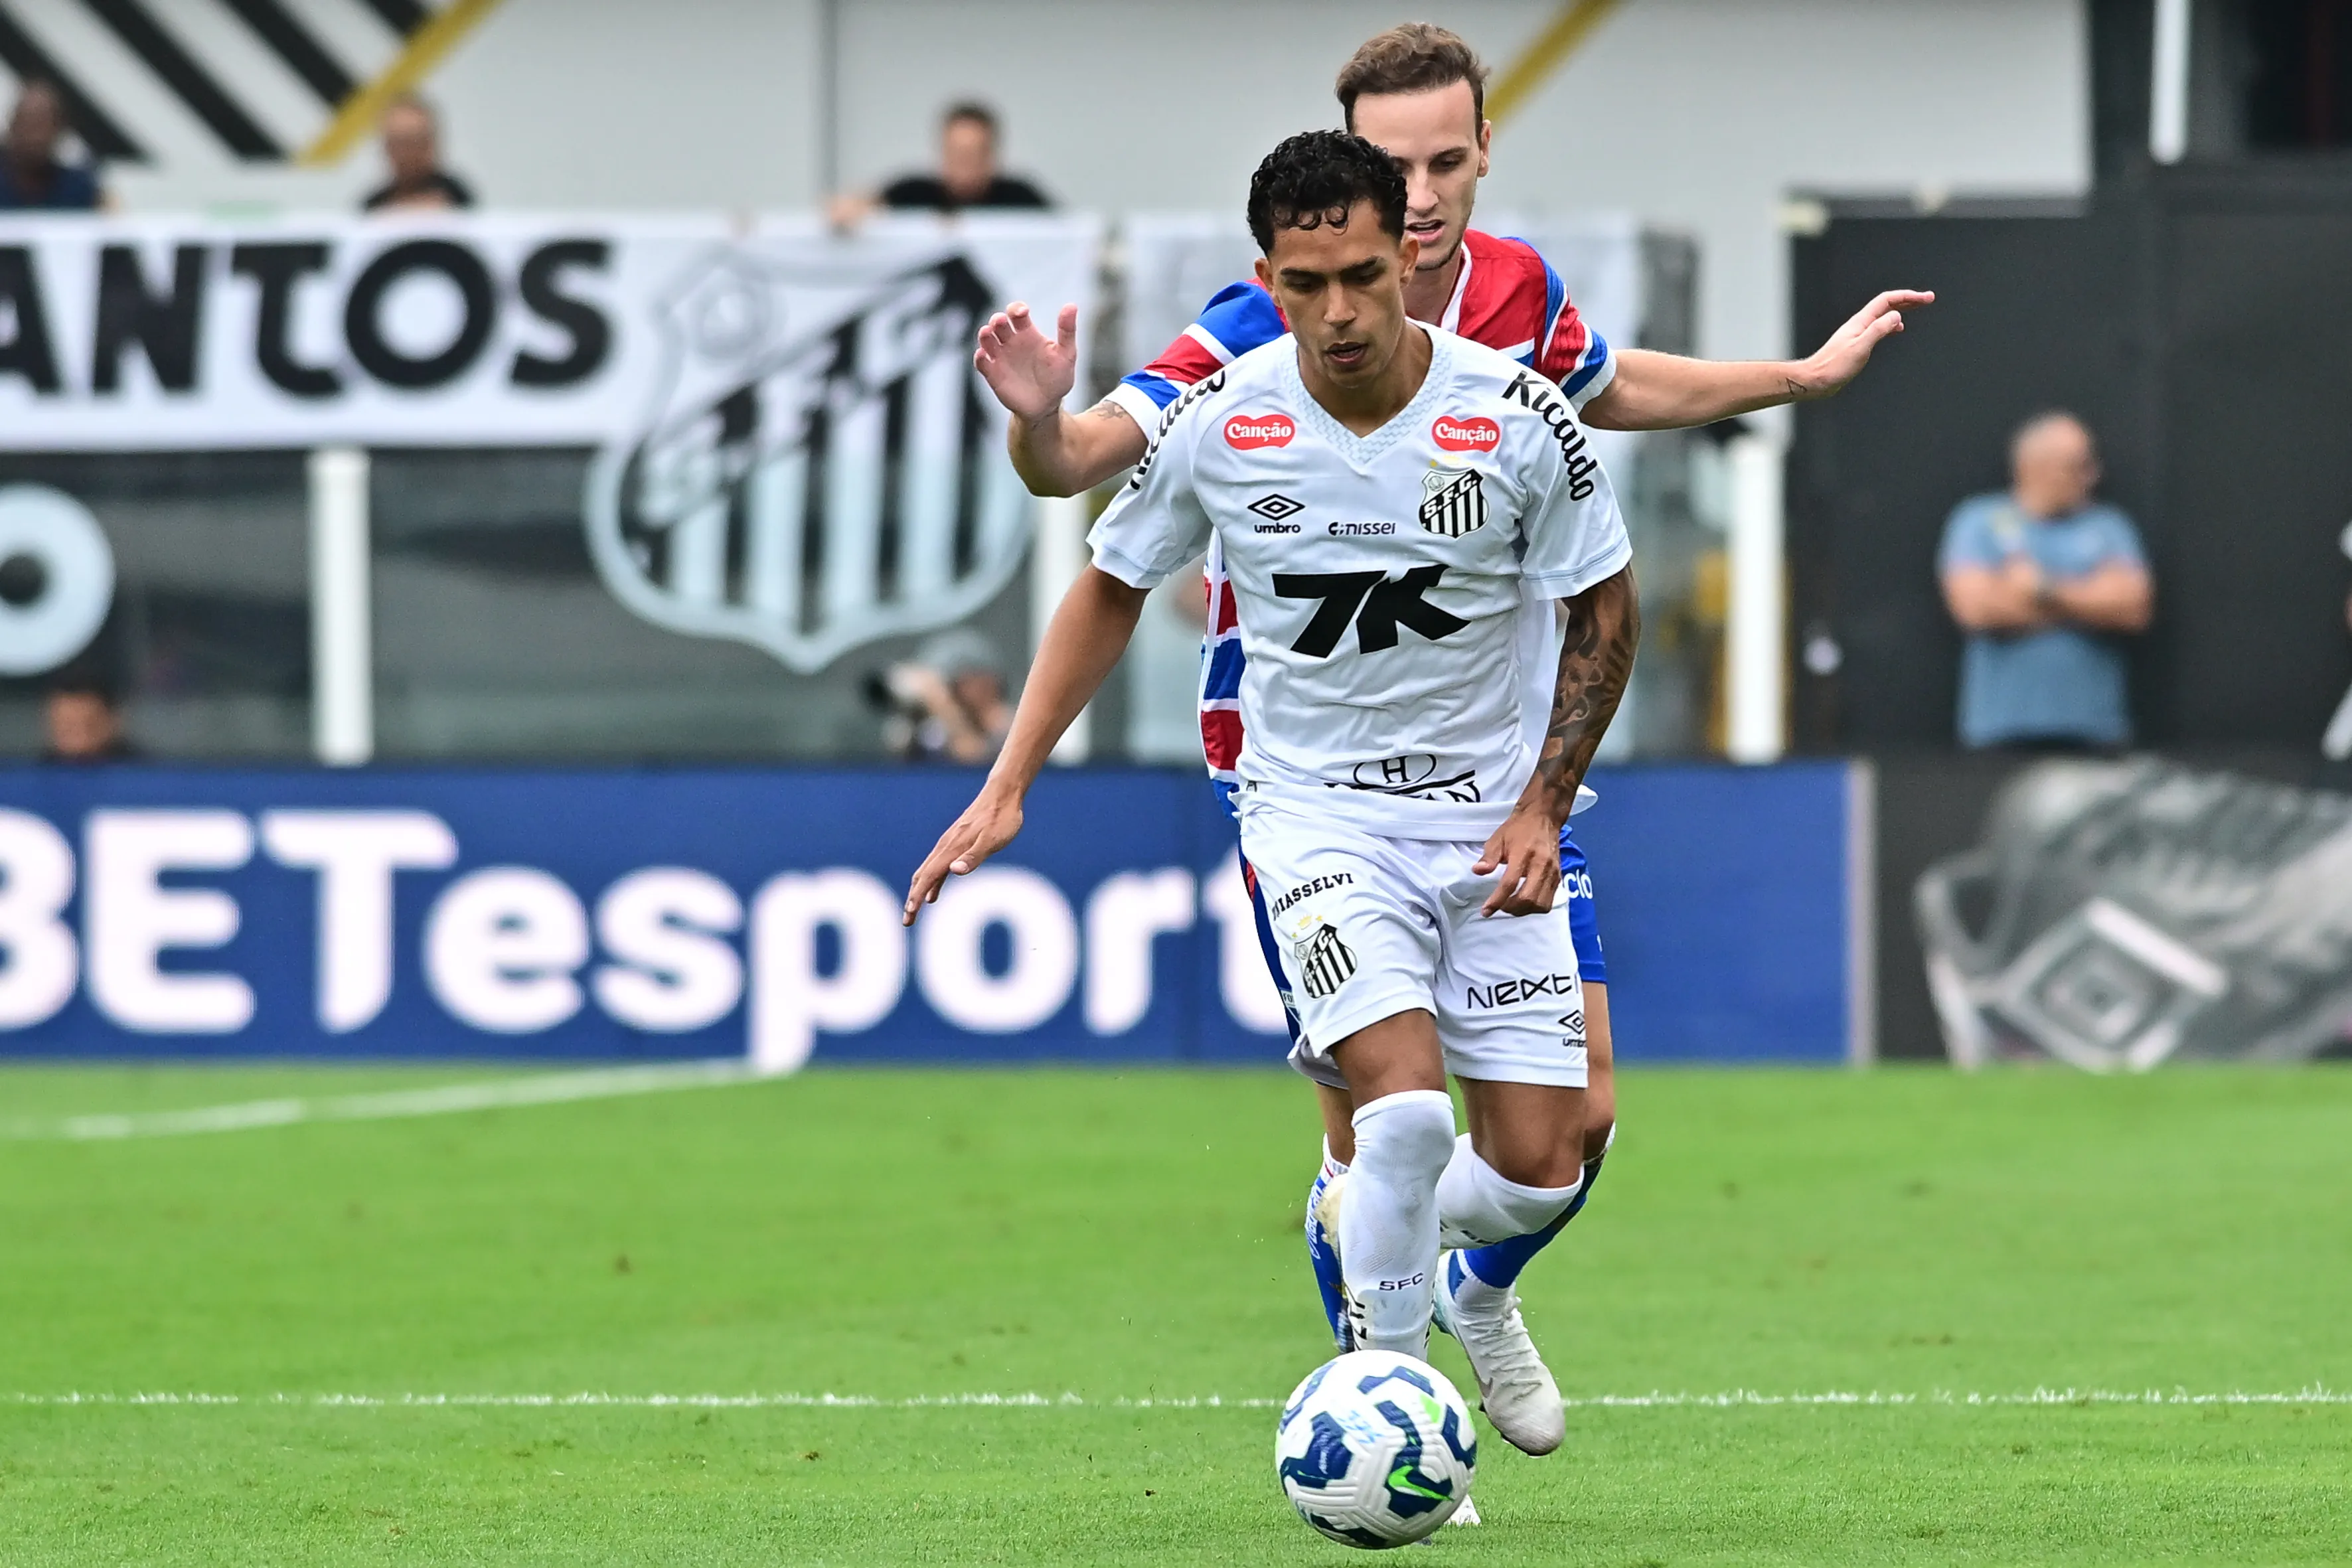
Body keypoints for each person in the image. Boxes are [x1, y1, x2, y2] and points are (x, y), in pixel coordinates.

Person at [970, 21, 1929, 1458]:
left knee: (1571, 1131)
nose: (1415, 200)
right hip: (1293, 766)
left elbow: (1609, 396)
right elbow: (1102, 461)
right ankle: (1389, 1414)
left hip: (1493, 773)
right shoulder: (1268, 325)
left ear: (1484, 152)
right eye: (1390, 165)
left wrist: (1795, 380)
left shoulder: (1515, 305)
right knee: (1391, 1121)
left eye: (1440, 162)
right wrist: (1041, 434)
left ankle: (1467, 1287)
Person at [909, 131, 1636, 1427]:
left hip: (1484, 823)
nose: (1339, 310)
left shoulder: (1518, 418)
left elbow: (1606, 609)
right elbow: (1107, 582)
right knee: (1402, 1120)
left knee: (1545, 1160)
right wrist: (1010, 778)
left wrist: (1539, 799)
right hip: (1317, 819)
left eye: (1361, 273)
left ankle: (1412, 1255)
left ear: (1405, 255)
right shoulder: (1224, 418)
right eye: (1306, 284)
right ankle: (1400, 1409)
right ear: (1268, 274)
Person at [1938, 412, 2152, 752]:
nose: (2093, 476)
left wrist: (2043, 591)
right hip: (2003, 734)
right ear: (2033, 466)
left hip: (2094, 733)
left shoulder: (2109, 526)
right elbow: (1976, 610)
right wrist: (2088, 602)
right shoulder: (1980, 521)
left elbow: (2132, 609)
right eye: (2077, 465)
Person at [828, 102, 1050, 226]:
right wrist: (850, 209)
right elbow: (864, 205)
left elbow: (1064, 237)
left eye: (973, 154)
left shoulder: (1022, 198)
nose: (964, 164)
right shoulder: (911, 192)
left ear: (992, 153)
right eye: (956, 153)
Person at [873, 629, 1014, 764]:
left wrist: (943, 706)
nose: (952, 693)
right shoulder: (936, 730)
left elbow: (974, 760)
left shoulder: (1009, 727)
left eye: (956, 684)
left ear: (987, 682)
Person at [362, 94, 475, 212]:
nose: (406, 153)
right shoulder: (372, 209)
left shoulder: (459, 201)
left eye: (415, 142)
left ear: (432, 144)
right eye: (399, 143)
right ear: (386, 148)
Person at [0, 80, 102, 210]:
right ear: (12, 127)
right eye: (27, 123)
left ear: (60, 130)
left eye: (43, 124)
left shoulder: (79, 188)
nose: (35, 136)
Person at [42, 680, 137, 762]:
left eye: (89, 727)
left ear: (113, 722)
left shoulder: (141, 773)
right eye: (67, 729)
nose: (78, 745)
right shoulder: (36, 775)